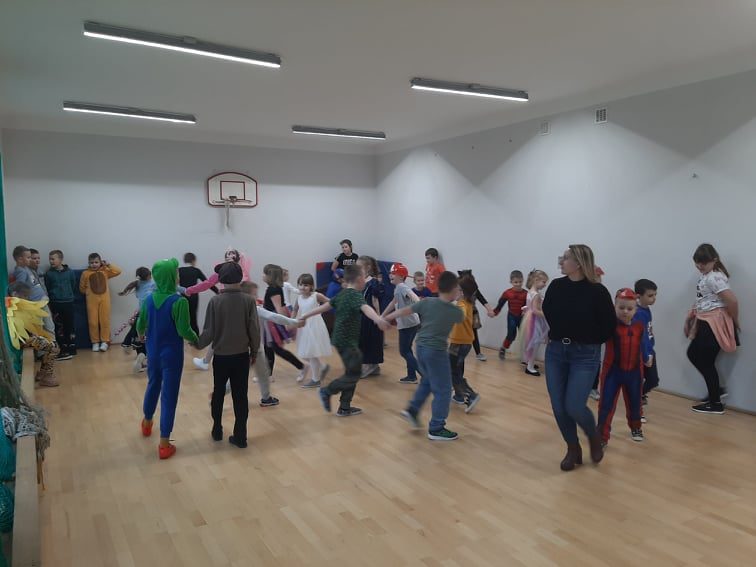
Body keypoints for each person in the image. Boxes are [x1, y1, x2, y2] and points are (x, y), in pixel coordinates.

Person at [542, 244, 615, 471]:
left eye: (565, 258)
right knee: (558, 406)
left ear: (579, 263)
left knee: (574, 405)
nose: (561, 261)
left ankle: (593, 436)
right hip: (556, 352)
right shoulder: (556, 286)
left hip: (585, 355)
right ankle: (573, 448)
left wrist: (588, 340)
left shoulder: (598, 292)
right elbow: (548, 311)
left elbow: (608, 326)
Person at [299, 264, 389, 417]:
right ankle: (327, 391)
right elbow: (366, 308)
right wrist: (378, 319)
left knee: (351, 372)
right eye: (364, 277)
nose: (366, 280)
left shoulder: (342, 294)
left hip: (340, 340)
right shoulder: (355, 295)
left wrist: (305, 316)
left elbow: (325, 307)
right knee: (354, 374)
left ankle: (345, 407)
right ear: (359, 279)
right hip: (347, 342)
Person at [386, 271, 464, 441]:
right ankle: (436, 427)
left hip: (420, 348)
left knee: (428, 380)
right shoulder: (455, 311)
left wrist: (386, 318)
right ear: (453, 290)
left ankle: (413, 410)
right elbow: (460, 316)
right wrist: (459, 299)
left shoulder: (427, 302)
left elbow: (405, 310)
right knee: (444, 389)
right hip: (436, 352)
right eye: (458, 289)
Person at [137, 258, 198, 459]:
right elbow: (184, 330)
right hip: (172, 356)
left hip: (153, 353)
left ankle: (147, 423)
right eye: (176, 273)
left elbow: (141, 323)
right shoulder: (179, 302)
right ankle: (164, 444)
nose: (179, 276)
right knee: (169, 396)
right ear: (172, 277)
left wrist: (140, 334)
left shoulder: (148, 300)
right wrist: (196, 339)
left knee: (153, 384)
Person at [195, 262, 260, 448]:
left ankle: (217, 429)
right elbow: (254, 329)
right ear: (240, 278)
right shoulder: (248, 301)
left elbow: (209, 332)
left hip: (221, 357)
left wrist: (196, 343)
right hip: (241, 356)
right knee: (240, 396)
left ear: (221, 280)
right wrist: (254, 351)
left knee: (218, 392)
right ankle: (241, 436)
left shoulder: (215, 301)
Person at [685, 243, 739, 414]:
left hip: (714, 323)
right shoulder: (707, 276)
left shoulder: (714, 277)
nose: (700, 266)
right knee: (695, 355)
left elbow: (732, 301)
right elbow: (703, 299)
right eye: (697, 262)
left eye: (704, 262)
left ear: (714, 260)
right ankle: (717, 392)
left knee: (704, 360)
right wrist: (691, 317)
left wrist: (735, 320)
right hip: (706, 320)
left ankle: (715, 403)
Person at [597, 288, 652, 446]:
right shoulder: (610, 325)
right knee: (606, 404)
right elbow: (597, 336)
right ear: (614, 307)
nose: (625, 311)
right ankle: (601, 436)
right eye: (621, 307)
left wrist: (647, 356)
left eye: (629, 308)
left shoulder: (639, 325)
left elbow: (644, 342)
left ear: (635, 309)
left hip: (634, 373)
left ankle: (636, 427)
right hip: (612, 372)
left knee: (635, 402)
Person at [6, 281, 60, 387]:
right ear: (15, 294)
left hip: (25, 338)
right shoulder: (12, 305)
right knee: (53, 347)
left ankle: (43, 373)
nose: (28, 298)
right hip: (21, 340)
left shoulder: (17, 304)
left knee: (51, 344)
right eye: (25, 295)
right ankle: (47, 376)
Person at [262, 264, 307, 379]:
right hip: (270, 321)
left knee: (275, 348)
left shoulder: (273, 290)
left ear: (270, 276)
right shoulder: (274, 288)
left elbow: (279, 309)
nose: (262, 275)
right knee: (268, 347)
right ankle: (268, 374)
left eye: (264, 273)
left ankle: (301, 366)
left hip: (273, 323)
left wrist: (287, 323)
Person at [381, 263, 421, 384]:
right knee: (407, 350)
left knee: (404, 351)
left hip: (408, 324)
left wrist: (417, 303)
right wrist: (382, 316)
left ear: (401, 276)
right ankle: (411, 376)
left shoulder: (401, 287)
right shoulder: (398, 288)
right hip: (412, 323)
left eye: (394, 273)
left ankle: (426, 375)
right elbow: (393, 302)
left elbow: (415, 298)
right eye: (390, 273)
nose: (390, 275)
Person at [291, 273, 332, 388]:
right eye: (300, 284)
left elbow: (330, 302)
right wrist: (291, 320)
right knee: (305, 353)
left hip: (315, 326)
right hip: (304, 326)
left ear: (311, 286)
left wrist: (320, 311)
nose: (302, 287)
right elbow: (295, 309)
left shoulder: (316, 296)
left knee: (311, 353)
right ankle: (322, 367)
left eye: (306, 285)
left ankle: (315, 379)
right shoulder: (299, 298)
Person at [448, 275, 482, 412]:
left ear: (462, 292)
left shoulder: (462, 305)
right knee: (455, 370)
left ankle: (470, 395)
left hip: (459, 344)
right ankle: (459, 395)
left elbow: (460, 315)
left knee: (453, 371)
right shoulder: (466, 304)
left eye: (455, 289)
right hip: (463, 343)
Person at [79, 252, 121, 351]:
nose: (94, 264)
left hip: (105, 300)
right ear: (89, 263)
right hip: (91, 300)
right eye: (91, 262)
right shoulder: (85, 273)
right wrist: (88, 293)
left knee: (104, 321)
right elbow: (82, 287)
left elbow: (118, 271)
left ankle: (105, 341)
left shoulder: (105, 271)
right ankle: (95, 342)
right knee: (93, 322)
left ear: (100, 262)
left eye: (96, 262)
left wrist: (108, 264)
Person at [118, 267, 156, 372]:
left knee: (138, 335)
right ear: (149, 275)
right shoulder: (153, 284)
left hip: (140, 314)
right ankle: (145, 357)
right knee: (150, 337)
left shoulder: (138, 284)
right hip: (151, 315)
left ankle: (139, 354)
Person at [12, 245, 55, 338]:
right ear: (20, 259)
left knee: (49, 325)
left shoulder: (26, 268)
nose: (30, 260)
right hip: (35, 303)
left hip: (41, 300)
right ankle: (43, 346)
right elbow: (20, 287)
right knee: (39, 327)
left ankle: (52, 343)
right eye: (28, 258)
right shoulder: (21, 271)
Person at [45, 249, 77, 359]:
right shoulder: (49, 274)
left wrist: (68, 295)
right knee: (59, 327)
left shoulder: (70, 272)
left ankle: (71, 348)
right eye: (50, 259)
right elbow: (48, 287)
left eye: (53, 259)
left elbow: (73, 284)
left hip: (68, 303)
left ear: (61, 259)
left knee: (70, 325)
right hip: (56, 303)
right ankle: (63, 350)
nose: (51, 261)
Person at [456, 270, 495, 361]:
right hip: (462, 313)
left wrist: (490, 310)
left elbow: (482, 299)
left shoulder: (474, 290)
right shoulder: (459, 290)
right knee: (459, 332)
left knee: (473, 333)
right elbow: (453, 297)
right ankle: (456, 350)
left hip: (472, 313)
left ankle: (478, 353)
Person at [633, 279, 660, 411]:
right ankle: (636, 402)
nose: (654, 298)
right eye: (650, 295)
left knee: (653, 380)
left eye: (655, 295)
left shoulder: (646, 309)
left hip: (649, 350)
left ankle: (638, 396)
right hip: (642, 353)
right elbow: (641, 337)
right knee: (643, 379)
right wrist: (646, 355)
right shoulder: (637, 313)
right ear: (639, 296)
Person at [357, 255, 385, 378]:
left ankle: (369, 365)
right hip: (362, 316)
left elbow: (375, 301)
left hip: (370, 317)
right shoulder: (361, 282)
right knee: (362, 340)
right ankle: (373, 366)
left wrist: (378, 318)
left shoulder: (373, 283)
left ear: (367, 268)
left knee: (370, 340)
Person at [179, 252, 218, 335]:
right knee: (193, 319)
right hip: (193, 297)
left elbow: (174, 284)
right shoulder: (196, 271)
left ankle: (183, 338)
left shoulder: (179, 270)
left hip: (182, 297)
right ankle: (195, 338)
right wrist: (217, 292)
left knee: (182, 318)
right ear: (193, 261)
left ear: (184, 260)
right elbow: (208, 283)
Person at [493, 270, 528, 360]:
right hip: (512, 316)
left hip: (522, 317)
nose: (518, 284)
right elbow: (500, 304)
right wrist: (495, 312)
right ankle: (503, 348)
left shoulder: (526, 293)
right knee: (511, 335)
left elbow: (529, 305)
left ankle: (525, 355)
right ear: (511, 282)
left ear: (523, 280)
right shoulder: (507, 293)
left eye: (520, 282)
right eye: (515, 282)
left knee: (524, 335)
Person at [520, 270, 550, 376]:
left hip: (529, 319)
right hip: (534, 321)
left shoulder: (530, 291)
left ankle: (529, 362)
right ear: (536, 280)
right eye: (543, 282)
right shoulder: (536, 295)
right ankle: (530, 367)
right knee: (535, 343)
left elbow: (530, 306)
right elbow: (536, 311)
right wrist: (548, 315)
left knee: (531, 342)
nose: (545, 284)